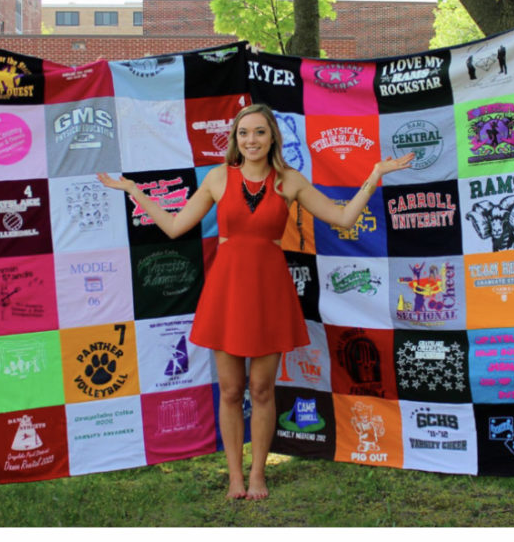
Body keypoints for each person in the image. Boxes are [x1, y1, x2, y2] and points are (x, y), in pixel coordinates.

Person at [99, 104, 414, 500]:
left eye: (259, 132)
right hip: (227, 292)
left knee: (262, 390)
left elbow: (343, 219)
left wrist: (375, 175)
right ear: (236, 139)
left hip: (269, 293)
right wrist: (134, 192)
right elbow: (176, 226)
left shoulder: (289, 180)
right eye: (244, 132)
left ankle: (258, 475)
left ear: (272, 138)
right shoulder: (218, 177)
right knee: (231, 390)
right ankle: (235, 476)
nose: (251, 140)